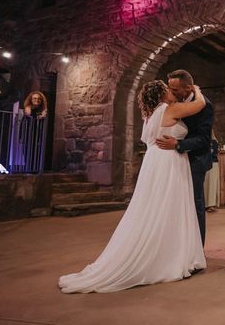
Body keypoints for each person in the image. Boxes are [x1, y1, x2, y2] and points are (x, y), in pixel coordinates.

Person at [58, 81, 207, 293]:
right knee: (168, 206)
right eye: (168, 89)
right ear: (162, 94)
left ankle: (169, 251)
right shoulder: (168, 109)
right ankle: (168, 256)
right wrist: (196, 89)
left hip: (155, 162)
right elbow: (199, 105)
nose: (171, 91)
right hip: (167, 162)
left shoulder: (150, 115)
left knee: (157, 207)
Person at [156, 69, 213, 246]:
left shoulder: (204, 105)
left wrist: (179, 145)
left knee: (195, 204)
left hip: (195, 161)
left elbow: (204, 139)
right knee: (176, 205)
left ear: (188, 88)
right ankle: (179, 247)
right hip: (174, 162)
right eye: (170, 89)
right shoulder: (172, 105)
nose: (171, 93)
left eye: (175, 90)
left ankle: (197, 249)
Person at [20, 91, 48, 172]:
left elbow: (42, 118)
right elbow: (29, 115)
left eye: (39, 99)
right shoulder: (28, 108)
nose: (37, 100)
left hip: (38, 134)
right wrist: (40, 116)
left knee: (37, 153)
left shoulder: (42, 110)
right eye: (35, 98)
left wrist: (42, 116)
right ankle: (28, 170)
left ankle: (35, 170)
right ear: (31, 100)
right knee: (27, 152)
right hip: (28, 134)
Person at [204, 131, 220, 212]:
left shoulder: (214, 142)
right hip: (204, 163)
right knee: (205, 184)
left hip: (213, 164)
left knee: (212, 185)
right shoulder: (203, 140)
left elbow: (214, 153)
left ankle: (211, 204)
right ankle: (205, 204)